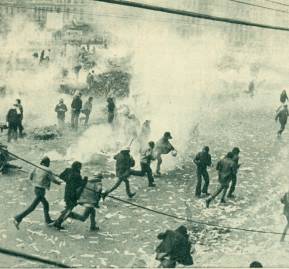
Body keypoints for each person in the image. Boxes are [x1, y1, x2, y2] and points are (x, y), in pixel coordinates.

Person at [13, 157, 61, 229]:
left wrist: (37, 180)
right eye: (48, 163)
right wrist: (59, 182)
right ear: (46, 163)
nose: (49, 164)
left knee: (45, 204)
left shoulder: (36, 167)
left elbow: (30, 177)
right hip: (41, 191)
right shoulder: (48, 170)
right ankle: (18, 218)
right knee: (32, 207)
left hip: (36, 189)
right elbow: (53, 180)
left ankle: (48, 220)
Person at [53, 161, 87, 230]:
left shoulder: (68, 170)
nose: (80, 168)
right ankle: (58, 222)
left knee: (68, 208)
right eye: (80, 167)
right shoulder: (77, 175)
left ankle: (58, 221)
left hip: (67, 192)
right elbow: (80, 185)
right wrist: (85, 180)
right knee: (69, 209)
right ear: (77, 167)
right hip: (73, 194)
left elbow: (61, 176)